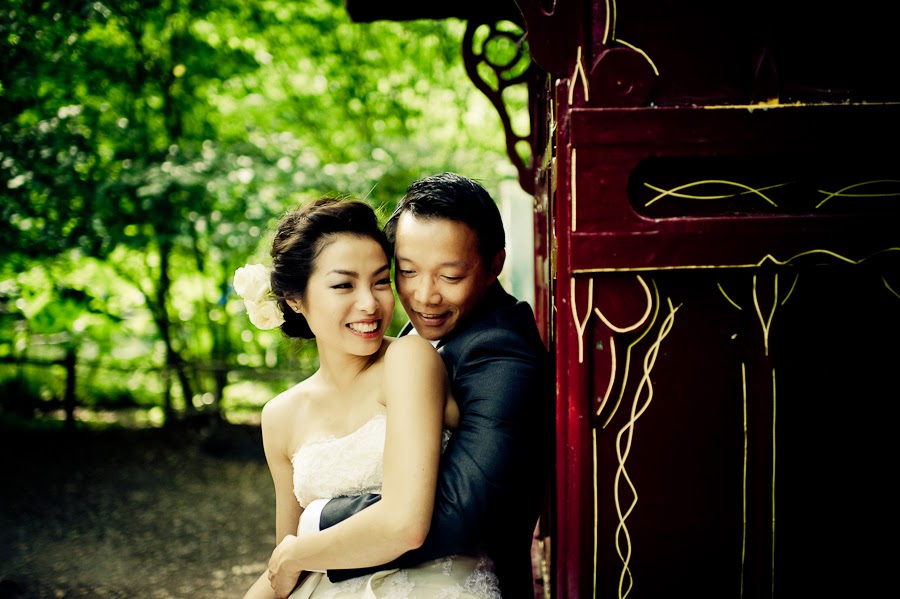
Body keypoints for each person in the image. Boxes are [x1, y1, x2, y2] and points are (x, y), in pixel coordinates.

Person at [267, 173, 554, 598]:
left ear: (494, 265)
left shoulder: (503, 353)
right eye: (405, 272)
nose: (423, 295)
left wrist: (313, 525)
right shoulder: (406, 339)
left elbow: (455, 513)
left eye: (450, 276)